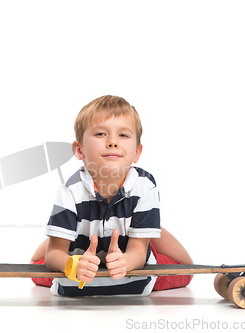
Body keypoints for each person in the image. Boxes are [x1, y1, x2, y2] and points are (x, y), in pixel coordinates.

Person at [31, 95, 193, 296]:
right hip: (78, 276)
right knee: (37, 266)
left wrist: (127, 261)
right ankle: (67, 231)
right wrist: (72, 263)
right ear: (79, 149)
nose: (113, 142)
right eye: (100, 134)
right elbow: (54, 256)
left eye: (123, 136)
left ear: (137, 152)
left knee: (184, 268)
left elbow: (139, 252)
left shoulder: (144, 186)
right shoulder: (70, 190)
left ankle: (141, 227)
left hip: (136, 278)